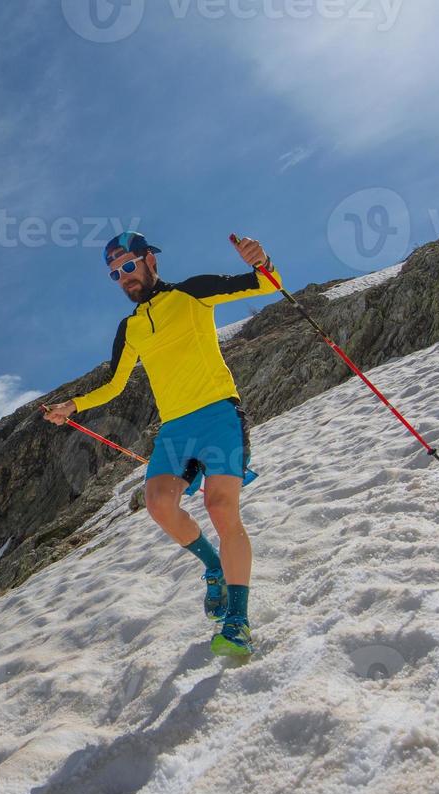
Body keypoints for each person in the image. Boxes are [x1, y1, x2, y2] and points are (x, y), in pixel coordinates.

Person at [43, 232, 278, 660]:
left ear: (150, 259)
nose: (123, 277)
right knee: (158, 504)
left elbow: (265, 285)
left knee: (222, 508)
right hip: (174, 430)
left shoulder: (191, 294)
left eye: (128, 266)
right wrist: (72, 405)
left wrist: (262, 260)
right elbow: (114, 385)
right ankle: (213, 568)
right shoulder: (130, 328)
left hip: (218, 414)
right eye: (114, 274)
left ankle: (238, 622)